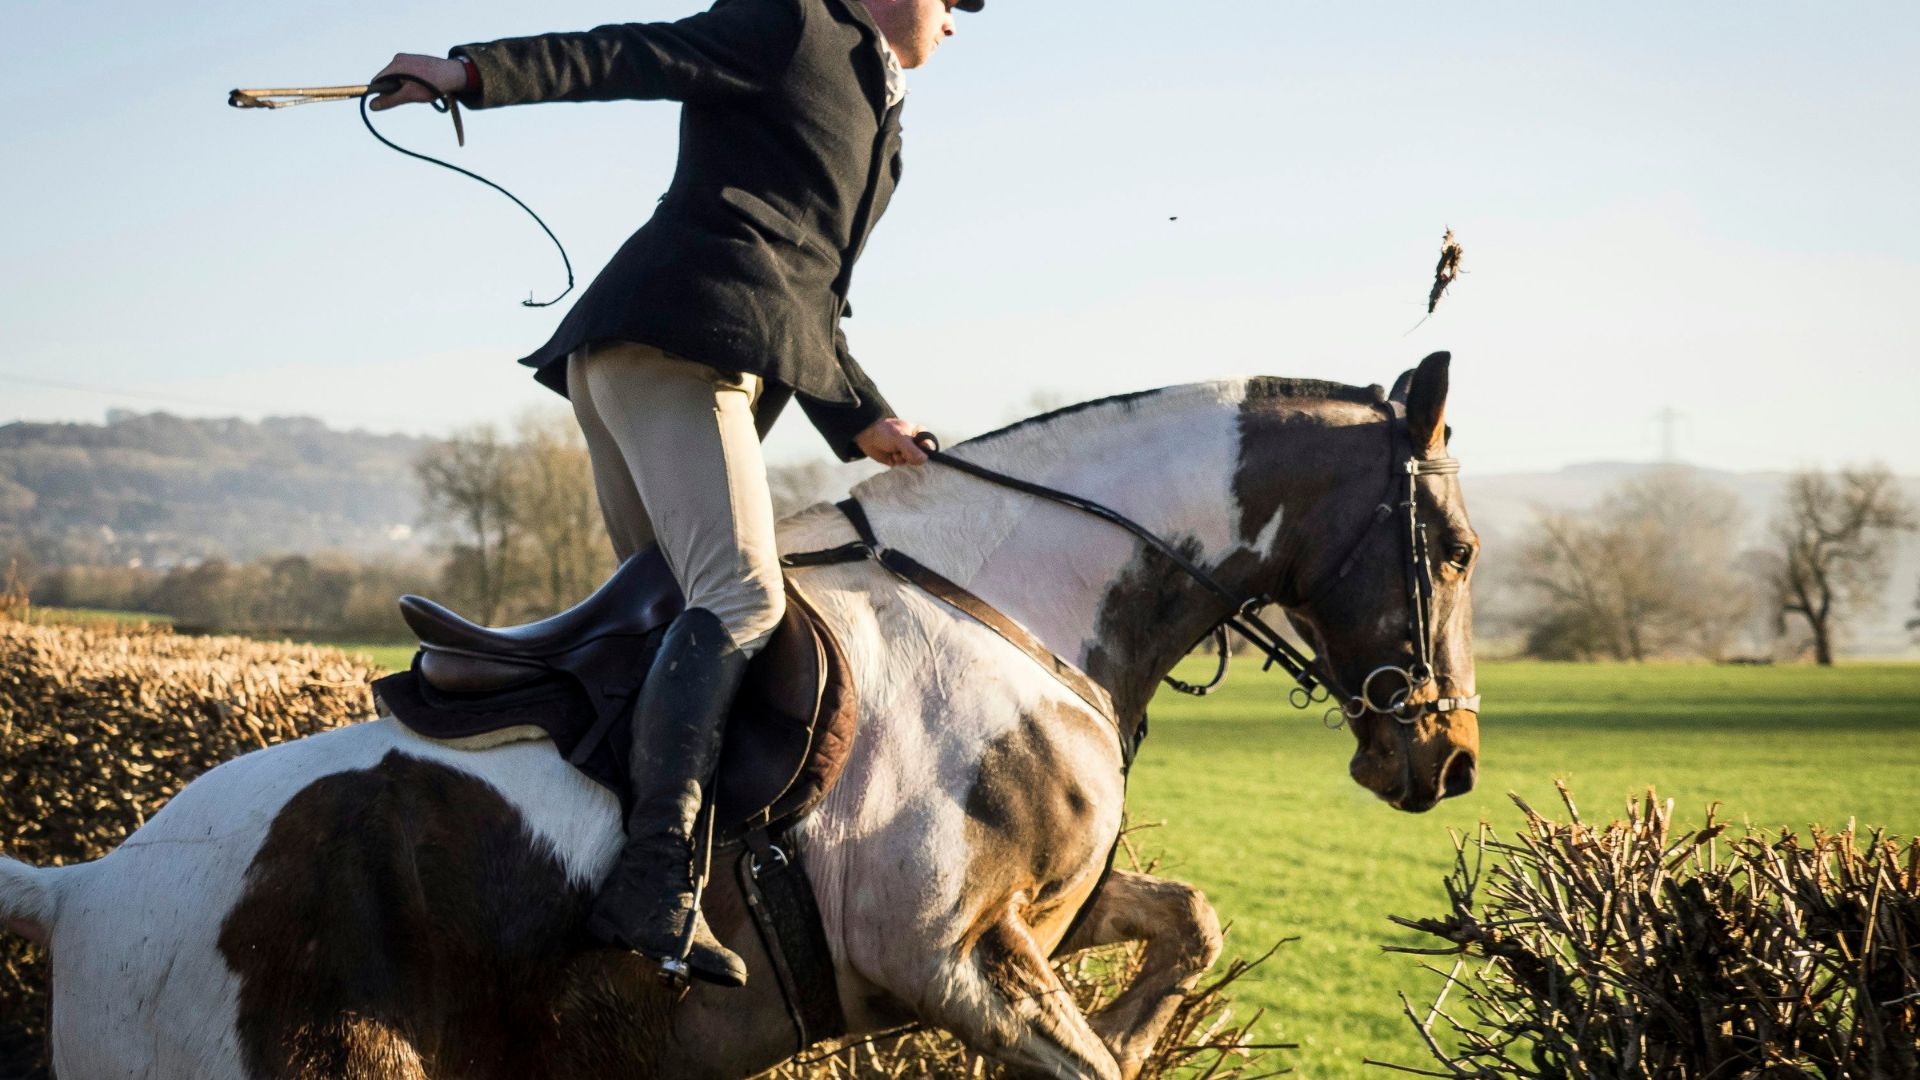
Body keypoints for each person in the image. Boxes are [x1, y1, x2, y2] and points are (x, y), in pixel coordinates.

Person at [371, 0, 979, 990]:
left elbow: (808, 292)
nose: (955, 23)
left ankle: (566, 862)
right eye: (953, 1)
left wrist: (864, 417)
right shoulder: (794, 25)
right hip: (678, 349)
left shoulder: (878, 104)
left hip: (672, 354)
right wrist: (469, 72)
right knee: (741, 598)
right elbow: (633, 53)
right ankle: (655, 886)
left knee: (666, 614)